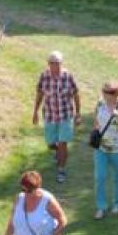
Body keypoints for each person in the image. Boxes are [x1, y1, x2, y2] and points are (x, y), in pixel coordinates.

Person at [32, 50, 81, 183]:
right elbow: (40, 94)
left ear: (61, 63)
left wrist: (78, 114)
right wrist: (35, 112)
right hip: (49, 115)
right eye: (52, 63)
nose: (55, 66)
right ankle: (56, 152)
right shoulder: (44, 76)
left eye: (58, 63)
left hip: (65, 115)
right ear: (48, 64)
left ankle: (61, 169)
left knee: (63, 143)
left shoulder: (68, 76)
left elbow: (76, 94)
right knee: (51, 143)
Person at [91, 80, 118, 220]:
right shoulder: (100, 104)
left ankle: (117, 203)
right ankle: (101, 207)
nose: (105, 94)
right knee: (100, 177)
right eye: (104, 91)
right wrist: (97, 133)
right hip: (101, 148)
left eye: (109, 92)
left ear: (117, 93)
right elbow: (96, 121)